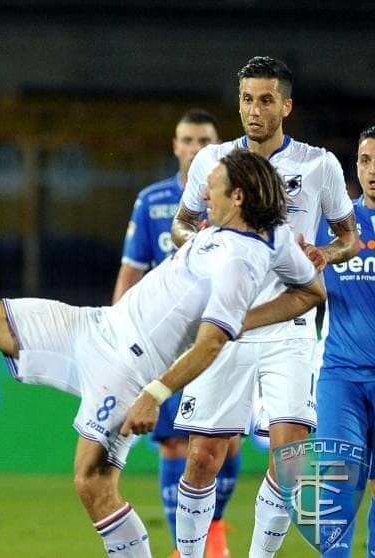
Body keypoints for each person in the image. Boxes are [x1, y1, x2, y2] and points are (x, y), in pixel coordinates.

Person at [0, 150, 324, 557]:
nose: (204, 196)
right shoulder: (266, 239)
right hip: (96, 326)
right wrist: (246, 322)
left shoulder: (241, 260)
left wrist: (156, 391)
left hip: (129, 368)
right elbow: (310, 292)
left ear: (236, 196)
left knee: (91, 482)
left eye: (212, 189)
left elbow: (212, 341)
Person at [169, 56, 359, 558]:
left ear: (286, 106)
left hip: (291, 324)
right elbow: (181, 224)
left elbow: (349, 236)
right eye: (247, 100)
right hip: (226, 324)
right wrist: (199, 242)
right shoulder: (213, 161)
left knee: (290, 456)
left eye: (266, 100)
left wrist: (324, 253)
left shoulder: (319, 165)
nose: (255, 110)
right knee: (204, 458)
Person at [113, 109, 238, 558]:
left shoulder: (235, 198)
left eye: (204, 139)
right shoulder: (152, 201)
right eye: (187, 139)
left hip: (225, 332)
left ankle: (214, 535)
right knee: (173, 443)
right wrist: (119, 335)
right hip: (168, 338)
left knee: (224, 437)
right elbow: (131, 271)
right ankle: (187, 550)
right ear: (175, 145)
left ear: (218, 146)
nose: (196, 147)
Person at [313, 125, 375, 557]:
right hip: (340, 378)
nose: (373, 171)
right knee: (335, 490)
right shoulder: (336, 227)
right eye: (366, 160)